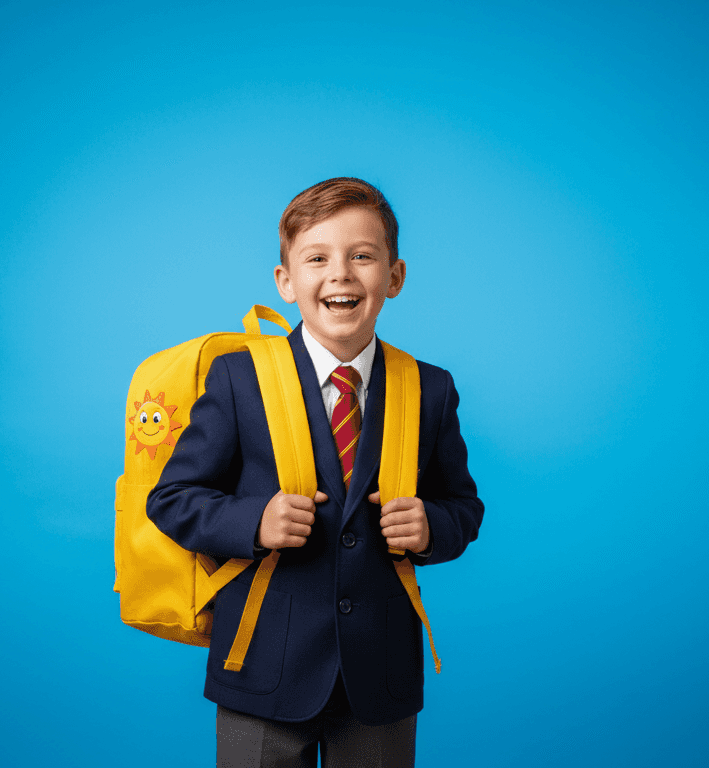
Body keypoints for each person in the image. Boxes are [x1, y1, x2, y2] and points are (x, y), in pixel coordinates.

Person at [147, 177, 483, 768]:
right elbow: (172, 498)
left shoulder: (430, 388)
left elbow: (462, 505)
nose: (341, 276)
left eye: (362, 256)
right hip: (261, 673)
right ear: (286, 282)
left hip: (380, 680)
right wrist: (254, 520)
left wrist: (433, 526)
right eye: (318, 258)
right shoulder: (238, 378)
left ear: (395, 277)